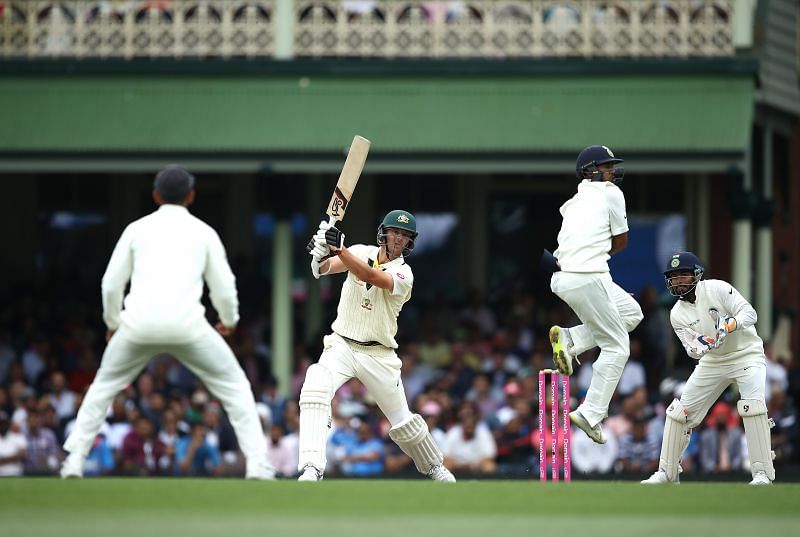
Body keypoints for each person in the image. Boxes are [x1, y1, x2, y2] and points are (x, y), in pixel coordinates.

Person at [60, 165, 273, 480]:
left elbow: (110, 285)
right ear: (191, 196)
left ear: (156, 195)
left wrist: (112, 321)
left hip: (136, 326)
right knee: (236, 388)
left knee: (103, 387)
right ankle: (258, 466)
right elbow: (225, 287)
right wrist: (229, 320)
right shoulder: (204, 232)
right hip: (189, 327)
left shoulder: (136, 229)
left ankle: (74, 461)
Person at [298, 210, 455, 482]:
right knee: (315, 385)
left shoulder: (405, 274)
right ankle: (312, 467)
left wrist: (340, 249)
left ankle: (434, 467)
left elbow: (372, 277)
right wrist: (320, 253)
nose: (398, 239)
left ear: (410, 242)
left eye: (405, 236)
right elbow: (325, 269)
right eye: (395, 232)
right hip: (342, 345)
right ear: (384, 232)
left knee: (403, 422)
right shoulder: (359, 251)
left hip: (379, 354)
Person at [642, 251, 776, 485]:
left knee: (752, 407)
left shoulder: (717, 289)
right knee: (679, 412)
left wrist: (729, 324)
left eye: (683, 275)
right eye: (673, 277)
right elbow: (691, 349)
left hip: (746, 354)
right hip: (712, 361)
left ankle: (762, 473)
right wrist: (703, 345)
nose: (678, 281)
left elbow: (750, 313)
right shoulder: (676, 314)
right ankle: (666, 472)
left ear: (696, 274)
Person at [548, 145, 643, 444]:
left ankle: (571, 339)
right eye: (607, 166)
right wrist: (600, 281)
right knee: (617, 347)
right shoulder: (611, 193)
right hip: (588, 277)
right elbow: (621, 242)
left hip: (565, 276)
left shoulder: (572, 203)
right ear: (591, 170)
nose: (612, 172)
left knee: (631, 312)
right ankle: (590, 413)